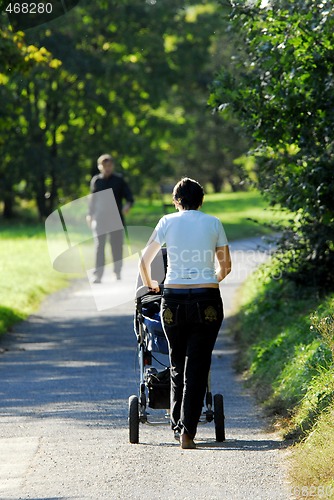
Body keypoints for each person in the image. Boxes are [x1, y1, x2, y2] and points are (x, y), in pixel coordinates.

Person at [139, 177, 231, 449]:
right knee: (199, 364)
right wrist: (209, 279)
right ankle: (188, 432)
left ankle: (178, 425)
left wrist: (152, 285)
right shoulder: (213, 222)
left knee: (177, 362)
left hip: (173, 300)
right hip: (207, 301)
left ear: (175, 200)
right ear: (201, 200)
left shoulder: (167, 221)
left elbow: (144, 260)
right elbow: (225, 268)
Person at [87, 154, 134, 283]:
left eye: (109, 165)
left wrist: (127, 206)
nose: (107, 168)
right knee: (99, 246)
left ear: (112, 166)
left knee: (117, 246)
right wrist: (89, 214)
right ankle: (98, 274)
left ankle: (117, 271)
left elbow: (129, 197)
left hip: (116, 218)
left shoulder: (119, 180)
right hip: (100, 218)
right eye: (104, 166)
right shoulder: (97, 181)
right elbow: (93, 199)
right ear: (100, 167)